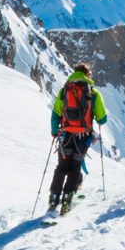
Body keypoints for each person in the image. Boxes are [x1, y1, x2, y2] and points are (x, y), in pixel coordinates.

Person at [46, 63, 105, 217]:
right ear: (88, 75)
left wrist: (54, 132)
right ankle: (67, 199)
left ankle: (53, 198)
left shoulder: (65, 90)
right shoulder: (94, 94)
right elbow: (102, 119)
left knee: (61, 167)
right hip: (82, 138)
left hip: (65, 136)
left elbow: (56, 114)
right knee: (75, 167)